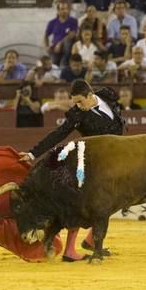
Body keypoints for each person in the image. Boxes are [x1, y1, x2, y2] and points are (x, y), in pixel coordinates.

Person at [18, 80, 124, 261]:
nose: (77, 106)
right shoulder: (77, 114)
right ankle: (70, 251)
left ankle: (90, 240)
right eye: (74, 102)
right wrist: (32, 153)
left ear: (91, 95)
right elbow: (58, 134)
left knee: (116, 199)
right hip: (94, 164)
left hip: (116, 159)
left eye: (80, 102)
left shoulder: (107, 95)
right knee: (80, 205)